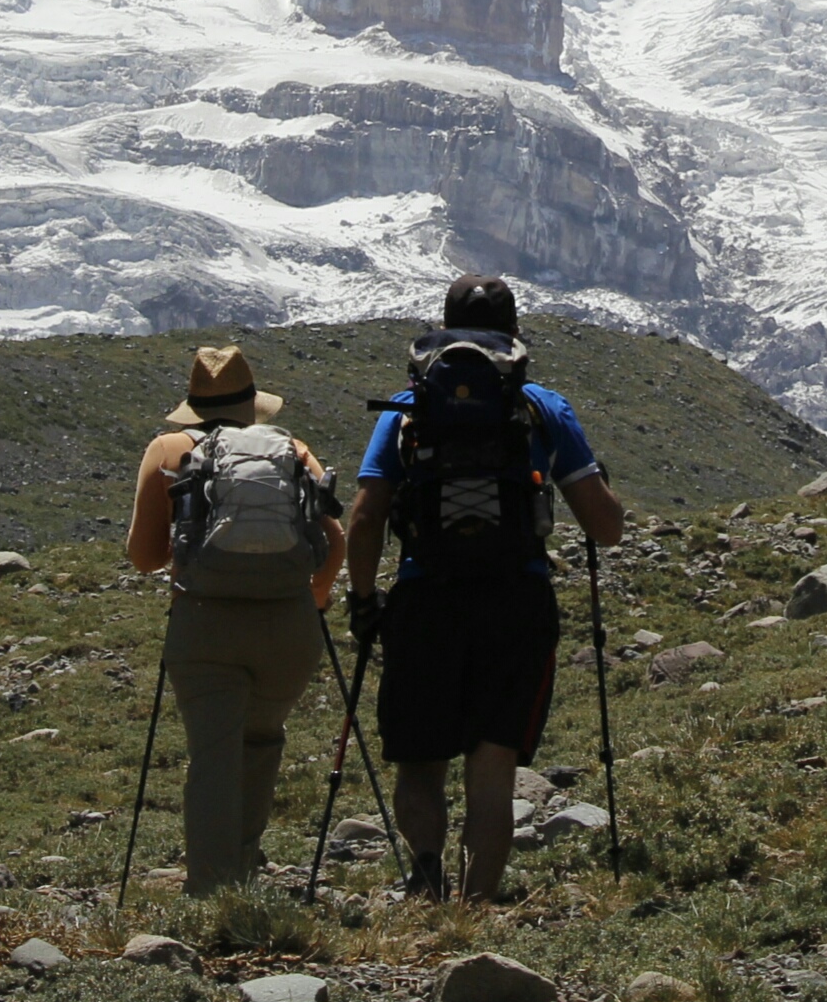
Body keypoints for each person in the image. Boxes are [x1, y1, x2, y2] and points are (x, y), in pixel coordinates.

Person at [346, 274, 624, 903]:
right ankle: (474, 910)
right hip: (514, 601)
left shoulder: (408, 407)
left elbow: (364, 518)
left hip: (425, 597)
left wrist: (364, 602)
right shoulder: (540, 406)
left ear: (442, 327)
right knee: (492, 768)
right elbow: (604, 528)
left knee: (420, 759)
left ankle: (424, 880)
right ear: (515, 333)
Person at [124, 343, 348, 895]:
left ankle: (210, 891)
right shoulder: (292, 451)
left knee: (213, 754)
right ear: (252, 406)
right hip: (288, 626)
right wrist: (312, 599)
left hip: (206, 624)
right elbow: (334, 541)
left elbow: (144, 556)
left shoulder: (168, 449)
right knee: (261, 739)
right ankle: (243, 873)